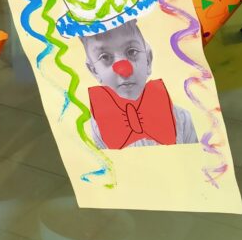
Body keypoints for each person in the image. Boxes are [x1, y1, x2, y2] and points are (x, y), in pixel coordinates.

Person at [82, 20, 197, 149]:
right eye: (105, 57)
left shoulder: (183, 119)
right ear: (94, 71)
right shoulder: (93, 133)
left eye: (132, 52)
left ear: (148, 60)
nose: (124, 70)